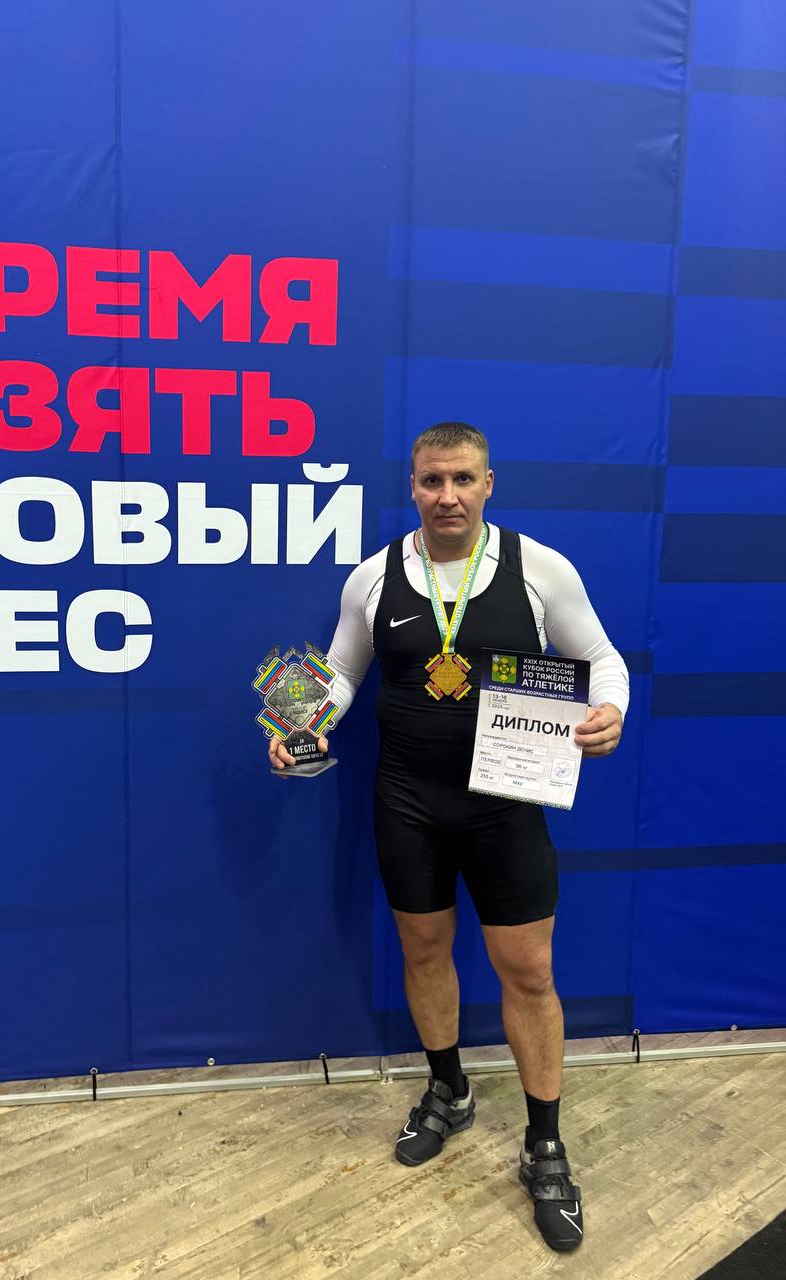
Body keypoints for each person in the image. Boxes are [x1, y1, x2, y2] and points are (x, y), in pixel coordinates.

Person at [269, 422, 627, 1253]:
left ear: (488, 483)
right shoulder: (374, 575)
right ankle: (449, 1091)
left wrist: (610, 709)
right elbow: (342, 672)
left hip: (506, 807)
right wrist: (298, 723)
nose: (448, 496)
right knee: (424, 952)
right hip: (408, 804)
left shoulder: (539, 568)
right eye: (432, 481)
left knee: (528, 971)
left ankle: (544, 1145)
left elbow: (603, 657)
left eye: (463, 479)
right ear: (413, 485)